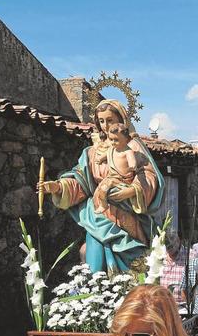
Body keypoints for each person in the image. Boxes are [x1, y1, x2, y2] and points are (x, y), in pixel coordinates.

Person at [39, 100, 165, 273]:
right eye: (102, 121)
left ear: (121, 120)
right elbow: (81, 181)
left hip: (126, 215)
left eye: (110, 120)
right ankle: (95, 297)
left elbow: (148, 175)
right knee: (95, 267)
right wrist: (57, 187)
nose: (106, 126)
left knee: (133, 270)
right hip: (98, 214)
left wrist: (132, 190)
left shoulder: (132, 147)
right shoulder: (92, 152)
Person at [160, 231, 188, 307]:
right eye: (166, 247)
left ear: (178, 241)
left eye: (171, 246)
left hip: (182, 307)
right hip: (162, 305)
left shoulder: (190, 256)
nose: (168, 250)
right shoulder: (160, 255)